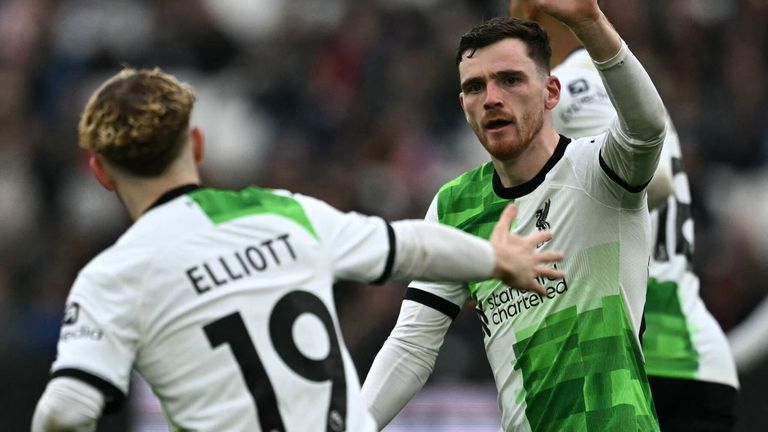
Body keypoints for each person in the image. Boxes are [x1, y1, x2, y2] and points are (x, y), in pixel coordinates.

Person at [30, 68, 566, 432]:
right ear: (195, 145)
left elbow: (66, 408)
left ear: (99, 171)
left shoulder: (112, 276)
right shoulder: (282, 211)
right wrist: (498, 258)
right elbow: (410, 245)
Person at [361, 0, 668, 430]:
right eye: (474, 87)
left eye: (509, 80)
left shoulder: (599, 172)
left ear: (551, 92)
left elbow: (648, 129)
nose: (491, 99)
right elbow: (412, 345)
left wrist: (590, 22)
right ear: (463, 104)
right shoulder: (455, 206)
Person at [507, 0, 740, 430]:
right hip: (682, 355)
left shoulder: (572, 83)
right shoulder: (618, 83)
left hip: (650, 354)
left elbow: (658, 181)